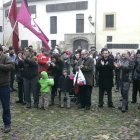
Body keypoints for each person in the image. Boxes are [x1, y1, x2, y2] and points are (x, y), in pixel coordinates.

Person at [0, 44, 15, 133]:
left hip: (4, 86)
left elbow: (11, 67)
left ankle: (7, 124)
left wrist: (0, 65)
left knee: (6, 106)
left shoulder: (5, 57)